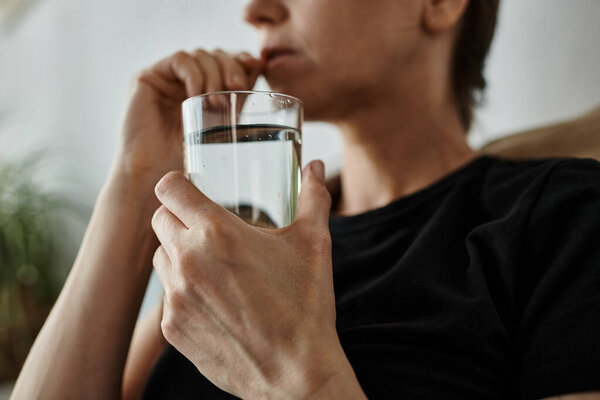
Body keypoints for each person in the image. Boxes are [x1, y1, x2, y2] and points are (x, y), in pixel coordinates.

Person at [11, 0, 600, 399]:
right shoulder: (241, 244)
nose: (256, 9)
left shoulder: (564, 217)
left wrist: (294, 373)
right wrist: (135, 182)